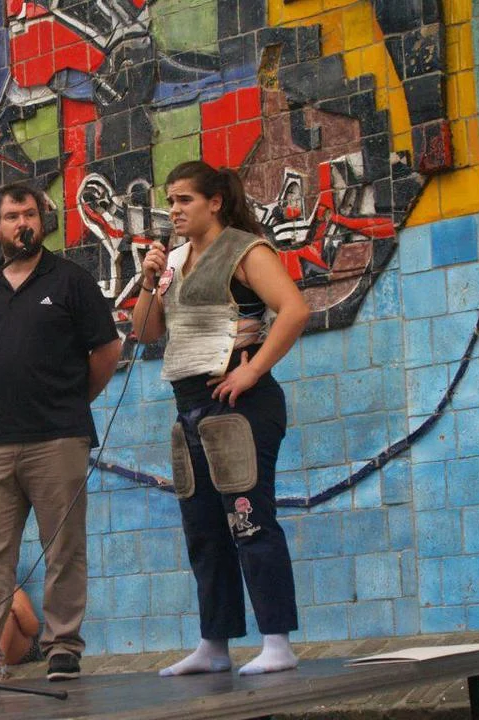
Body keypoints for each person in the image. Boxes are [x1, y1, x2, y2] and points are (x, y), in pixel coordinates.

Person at [0, 183, 121, 687]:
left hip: (58, 437)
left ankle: (63, 648)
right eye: (12, 216)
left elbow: (106, 351)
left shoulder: (71, 280)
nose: (23, 223)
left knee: (63, 547)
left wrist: (72, 400)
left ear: (41, 220)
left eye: (30, 213)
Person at [132, 161, 309, 677]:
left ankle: (277, 642)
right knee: (204, 530)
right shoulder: (174, 261)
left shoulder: (245, 250)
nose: (174, 210)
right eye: (170, 200)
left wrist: (252, 370)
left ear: (214, 202)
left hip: (240, 406)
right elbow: (145, 333)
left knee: (250, 520)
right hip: (189, 408)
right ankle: (214, 645)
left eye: (185, 199)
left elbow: (294, 309)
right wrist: (147, 283)